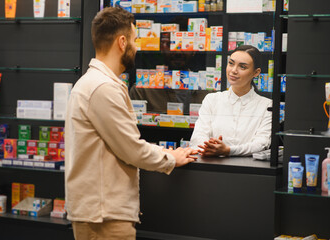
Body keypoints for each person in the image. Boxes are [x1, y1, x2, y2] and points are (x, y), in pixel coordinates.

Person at [65, 7, 197, 240]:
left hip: (99, 212)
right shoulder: (102, 88)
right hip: (104, 217)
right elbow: (131, 149)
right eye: (135, 40)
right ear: (122, 42)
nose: (137, 48)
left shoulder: (97, 83)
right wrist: (170, 158)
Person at [190, 45, 272, 157]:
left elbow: (261, 144)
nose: (233, 70)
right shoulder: (212, 99)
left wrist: (228, 150)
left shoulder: (266, 105)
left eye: (242, 67)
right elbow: (198, 137)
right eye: (231, 63)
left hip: (250, 170)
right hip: (209, 166)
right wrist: (209, 147)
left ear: (256, 72)